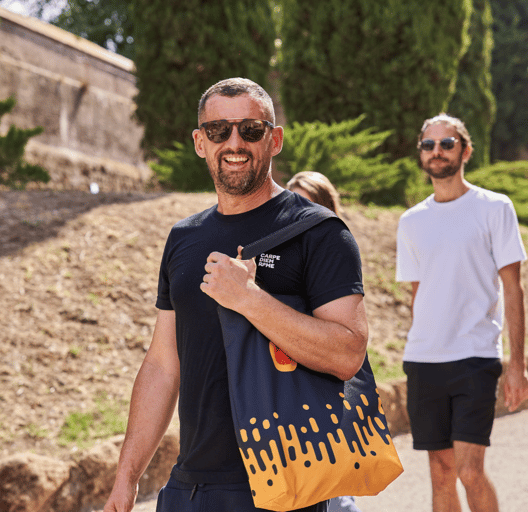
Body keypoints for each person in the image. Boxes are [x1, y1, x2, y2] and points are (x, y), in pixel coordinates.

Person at [103, 77, 368, 512]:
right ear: (199, 142)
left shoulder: (320, 232)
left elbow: (347, 354)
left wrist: (250, 299)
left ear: (274, 139)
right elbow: (163, 365)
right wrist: (127, 477)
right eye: (217, 131)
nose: (234, 143)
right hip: (190, 488)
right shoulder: (184, 237)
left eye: (250, 130)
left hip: (285, 488)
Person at [395, 113, 528, 512]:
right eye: (429, 145)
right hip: (424, 359)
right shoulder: (411, 221)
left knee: (469, 472)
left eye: (447, 143)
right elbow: (418, 295)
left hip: (475, 357)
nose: (437, 152)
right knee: (441, 475)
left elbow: (514, 289)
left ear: (465, 150)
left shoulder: (495, 208)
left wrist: (517, 364)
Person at [286, 171, 363, 512]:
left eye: (307, 203)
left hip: (322, 391)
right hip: (279, 391)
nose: (296, 211)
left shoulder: (336, 259)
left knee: (329, 492)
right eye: (290, 202)